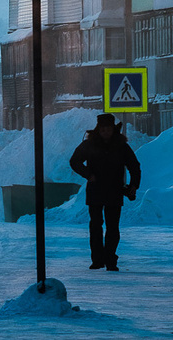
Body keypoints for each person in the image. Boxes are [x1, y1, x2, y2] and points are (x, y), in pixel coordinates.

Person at [69, 113, 141, 271]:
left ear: (113, 129)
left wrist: (134, 184)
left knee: (112, 227)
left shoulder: (121, 145)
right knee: (95, 226)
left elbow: (134, 165)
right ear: (98, 130)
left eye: (108, 129)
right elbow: (74, 161)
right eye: (103, 130)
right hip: (96, 190)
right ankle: (97, 260)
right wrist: (88, 174)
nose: (105, 132)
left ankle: (110, 260)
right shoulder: (90, 144)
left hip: (114, 191)